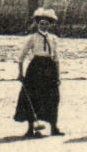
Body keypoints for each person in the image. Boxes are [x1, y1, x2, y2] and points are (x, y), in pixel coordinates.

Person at [15, 8, 63, 137]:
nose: (44, 26)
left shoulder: (53, 39)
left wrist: (58, 76)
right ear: (37, 24)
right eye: (41, 23)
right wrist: (20, 73)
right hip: (35, 69)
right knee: (32, 97)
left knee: (52, 98)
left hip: (49, 69)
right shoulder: (32, 38)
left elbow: (56, 58)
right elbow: (21, 57)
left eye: (46, 24)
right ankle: (31, 128)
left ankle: (54, 127)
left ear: (50, 25)